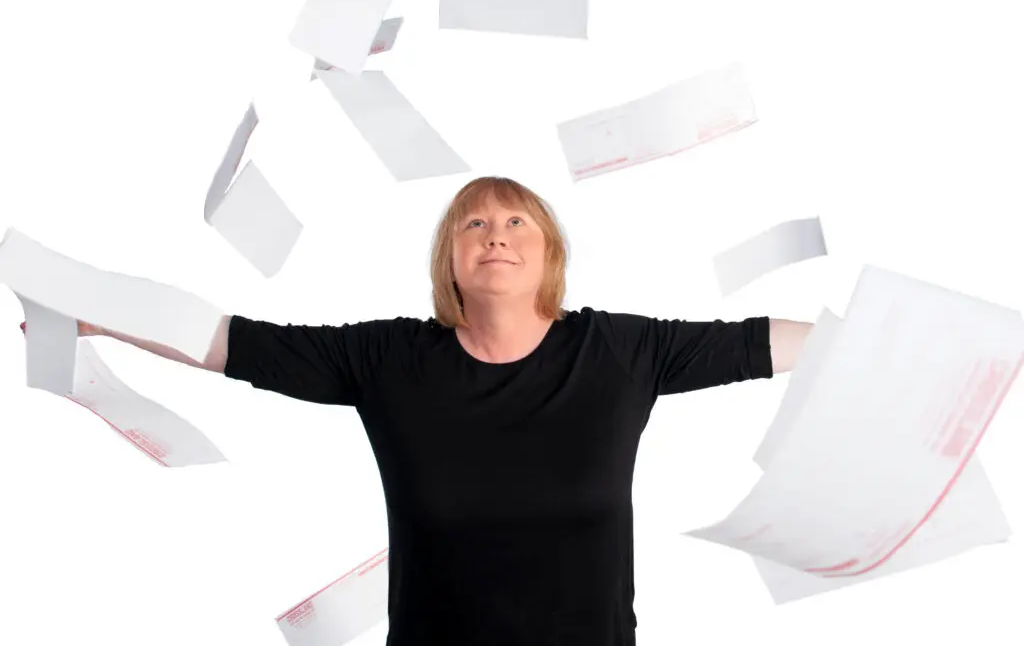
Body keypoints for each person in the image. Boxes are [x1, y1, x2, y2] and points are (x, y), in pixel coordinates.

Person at [21, 176, 813, 646]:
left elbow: (758, 344)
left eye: (515, 222)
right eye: (474, 223)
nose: (494, 235)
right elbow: (231, 344)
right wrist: (89, 314)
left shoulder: (621, 352)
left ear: (548, 252)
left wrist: (898, 340)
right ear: (451, 260)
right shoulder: (389, 361)